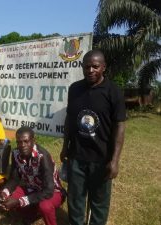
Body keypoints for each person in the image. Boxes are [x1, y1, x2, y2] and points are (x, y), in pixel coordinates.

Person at [60, 49, 126, 225]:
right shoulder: (75, 89)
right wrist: (65, 146)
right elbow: (69, 119)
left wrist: (115, 160)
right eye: (87, 67)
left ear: (103, 67)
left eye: (95, 67)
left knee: (99, 203)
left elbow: (120, 125)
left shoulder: (114, 91)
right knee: (75, 201)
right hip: (76, 156)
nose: (90, 70)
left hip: (101, 158)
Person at [0, 126, 66, 225]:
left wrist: (19, 201)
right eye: (19, 142)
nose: (22, 145)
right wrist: (4, 193)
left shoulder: (42, 156)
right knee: (8, 195)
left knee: (45, 206)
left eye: (26, 141)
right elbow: (14, 179)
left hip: (53, 192)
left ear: (33, 141)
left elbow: (48, 191)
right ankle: (32, 214)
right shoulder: (16, 153)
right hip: (32, 188)